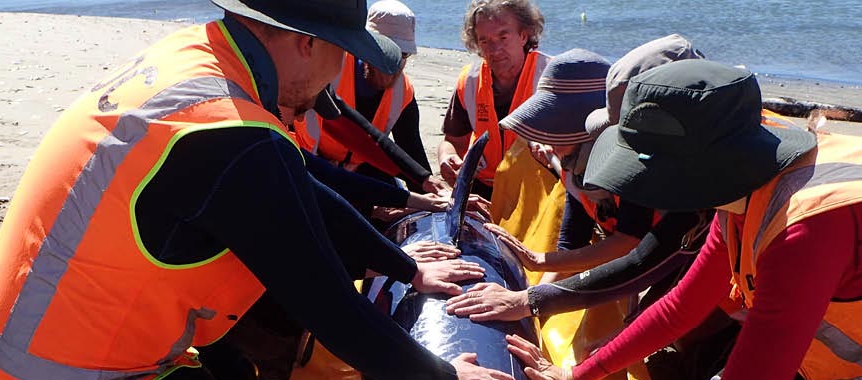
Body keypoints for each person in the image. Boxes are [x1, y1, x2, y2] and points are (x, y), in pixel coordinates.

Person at [0, 1, 529, 380]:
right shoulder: (235, 139)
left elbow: (307, 189)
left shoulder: (194, 58)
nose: (340, 78)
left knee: (231, 374)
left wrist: (410, 270)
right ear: (307, 42)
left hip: (11, 361)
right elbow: (333, 309)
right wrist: (449, 378)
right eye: (344, 54)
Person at [506, 59, 862, 380]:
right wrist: (579, 375)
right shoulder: (751, 186)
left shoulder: (806, 228)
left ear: (696, 170)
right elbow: (683, 305)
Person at [446, 36, 709, 322]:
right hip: (659, 260)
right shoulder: (577, 166)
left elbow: (633, 248)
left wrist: (532, 289)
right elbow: (572, 244)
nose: (546, 145)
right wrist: (530, 312)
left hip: (693, 263)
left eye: (553, 132)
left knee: (670, 330)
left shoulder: (644, 168)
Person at [293, 0, 444, 194]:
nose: (393, 63)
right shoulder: (329, 70)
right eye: (386, 52)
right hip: (313, 163)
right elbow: (346, 125)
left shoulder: (403, 92)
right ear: (364, 45)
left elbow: (411, 150)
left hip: (362, 167)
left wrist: (432, 190)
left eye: (403, 55)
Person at [437, 0, 548, 199]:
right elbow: (453, 142)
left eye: (503, 37)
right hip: (483, 189)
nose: (494, 50)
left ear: (524, 35)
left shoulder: (550, 77)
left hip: (537, 194)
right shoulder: (470, 81)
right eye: (484, 41)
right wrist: (446, 157)